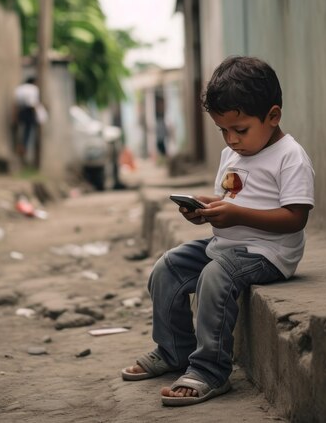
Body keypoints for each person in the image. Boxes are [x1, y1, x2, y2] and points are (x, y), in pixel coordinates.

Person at [121, 56, 315, 406]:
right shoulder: (232, 153)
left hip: (269, 253)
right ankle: (173, 351)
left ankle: (210, 371)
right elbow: (231, 198)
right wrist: (205, 209)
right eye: (224, 130)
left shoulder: (291, 156)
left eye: (240, 130)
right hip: (225, 244)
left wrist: (237, 214)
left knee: (215, 274)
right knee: (167, 267)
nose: (232, 139)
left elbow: (295, 218)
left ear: (273, 116)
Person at [13, 76, 45, 166]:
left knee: (20, 130)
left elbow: (15, 103)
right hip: (29, 111)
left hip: (20, 111)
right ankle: (23, 147)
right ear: (33, 82)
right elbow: (33, 103)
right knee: (28, 130)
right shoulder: (34, 89)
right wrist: (38, 116)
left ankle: (19, 146)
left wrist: (14, 116)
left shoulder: (19, 88)